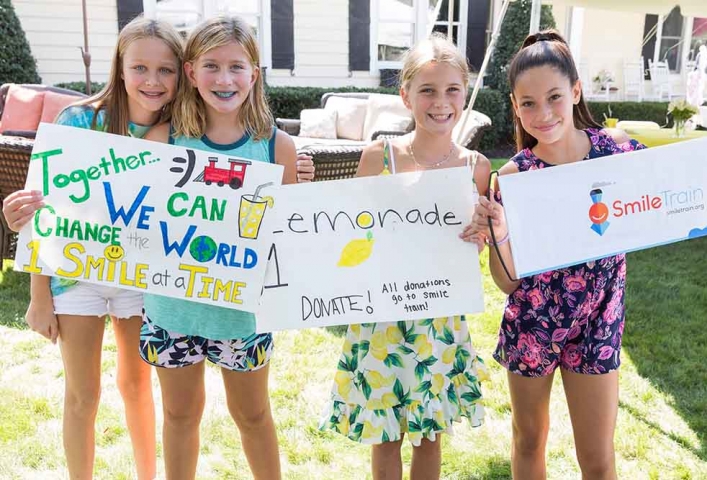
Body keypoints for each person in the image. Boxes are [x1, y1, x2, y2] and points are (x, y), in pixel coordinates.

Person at [1, 17, 185, 480]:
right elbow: (44, 214)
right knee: (83, 394)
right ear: (119, 68)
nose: (152, 81)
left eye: (166, 70)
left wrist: (293, 169)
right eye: (140, 67)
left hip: (141, 280)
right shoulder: (78, 120)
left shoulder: (184, 132)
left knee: (137, 384)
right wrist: (38, 296)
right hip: (75, 277)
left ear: (180, 75)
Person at [462, 29, 646, 480]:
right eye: (528, 103)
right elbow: (507, 283)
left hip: (598, 321)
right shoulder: (513, 176)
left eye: (554, 97)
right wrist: (501, 234)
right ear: (515, 105)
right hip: (532, 323)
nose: (542, 114)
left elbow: (664, 202)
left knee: (599, 457)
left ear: (576, 91)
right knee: (528, 440)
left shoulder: (618, 154)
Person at [137, 15, 301, 480]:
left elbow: (293, 234)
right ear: (190, 73)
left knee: (252, 416)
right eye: (211, 66)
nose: (224, 79)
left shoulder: (276, 147)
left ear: (254, 73)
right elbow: (134, 218)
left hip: (242, 314)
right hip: (173, 310)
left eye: (236, 67)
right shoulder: (164, 139)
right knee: (179, 417)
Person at [320, 34, 490, 480]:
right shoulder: (379, 157)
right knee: (386, 435)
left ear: (465, 93)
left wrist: (484, 233)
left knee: (431, 435)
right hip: (382, 319)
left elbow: (477, 246)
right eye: (428, 90)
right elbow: (351, 234)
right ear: (406, 95)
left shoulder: (476, 167)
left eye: (452, 90)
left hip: (440, 320)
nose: (441, 102)